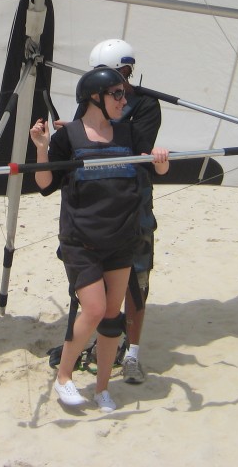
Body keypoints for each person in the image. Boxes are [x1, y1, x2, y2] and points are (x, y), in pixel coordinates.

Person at [30, 67, 169, 413]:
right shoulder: (69, 136)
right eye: (117, 94)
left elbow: (157, 171)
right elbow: (45, 184)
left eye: (125, 94)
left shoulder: (130, 133)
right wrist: (42, 148)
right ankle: (64, 377)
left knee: (111, 317)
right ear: (95, 98)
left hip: (121, 240)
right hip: (82, 241)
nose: (125, 100)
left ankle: (103, 388)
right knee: (92, 309)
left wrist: (161, 160)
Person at [88, 39, 162, 385]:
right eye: (118, 77)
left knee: (137, 280)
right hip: (98, 204)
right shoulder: (91, 101)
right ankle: (101, 340)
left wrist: (98, 129)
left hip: (134, 203)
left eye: (126, 76)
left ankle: (132, 352)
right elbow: (83, 142)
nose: (123, 86)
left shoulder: (145, 104)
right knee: (96, 278)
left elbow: (134, 146)